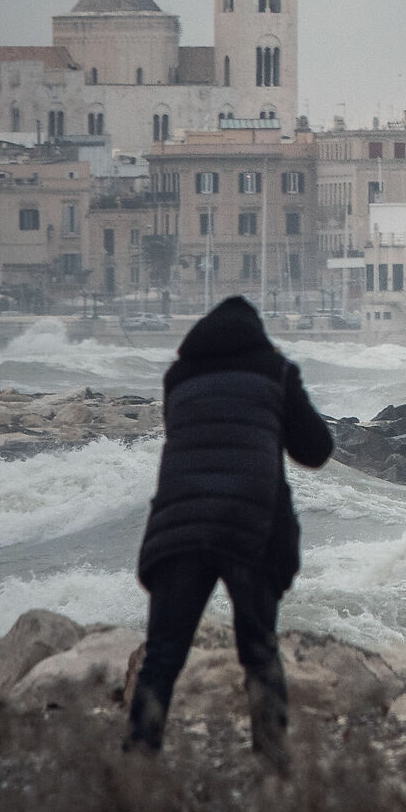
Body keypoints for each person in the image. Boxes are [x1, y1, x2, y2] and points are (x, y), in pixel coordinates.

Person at [125, 294, 335, 769]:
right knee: (258, 649)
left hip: (178, 527)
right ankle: (271, 761)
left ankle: (138, 762)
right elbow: (317, 450)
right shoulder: (275, 372)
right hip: (250, 526)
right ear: (257, 333)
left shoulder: (178, 379)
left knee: (163, 654)